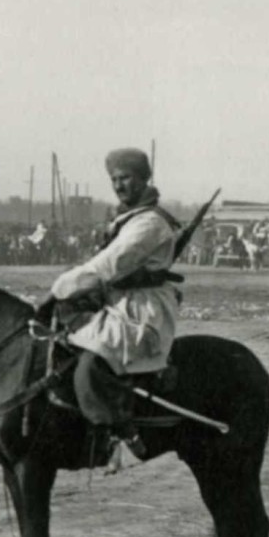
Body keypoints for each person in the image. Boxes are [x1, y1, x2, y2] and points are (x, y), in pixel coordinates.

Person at [44, 147, 182, 461]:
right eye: (115, 179)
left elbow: (107, 266)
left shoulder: (149, 223)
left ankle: (121, 434)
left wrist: (59, 288)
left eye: (127, 178)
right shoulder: (126, 218)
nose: (120, 185)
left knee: (92, 364)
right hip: (117, 302)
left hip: (143, 311)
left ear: (144, 178)